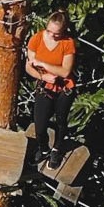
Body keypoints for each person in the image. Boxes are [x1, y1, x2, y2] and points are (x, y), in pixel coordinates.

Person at [25, 10, 78, 165]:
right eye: (49, 31)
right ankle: (43, 148)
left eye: (57, 33)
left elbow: (65, 71)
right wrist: (43, 76)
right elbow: (29, 67)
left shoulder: (67, 43)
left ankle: (57, 148)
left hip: (64, 87)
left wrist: (43, 64)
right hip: (45, 85)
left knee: (61, 119)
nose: (52, 36)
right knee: (40, 124)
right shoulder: (36, 39)